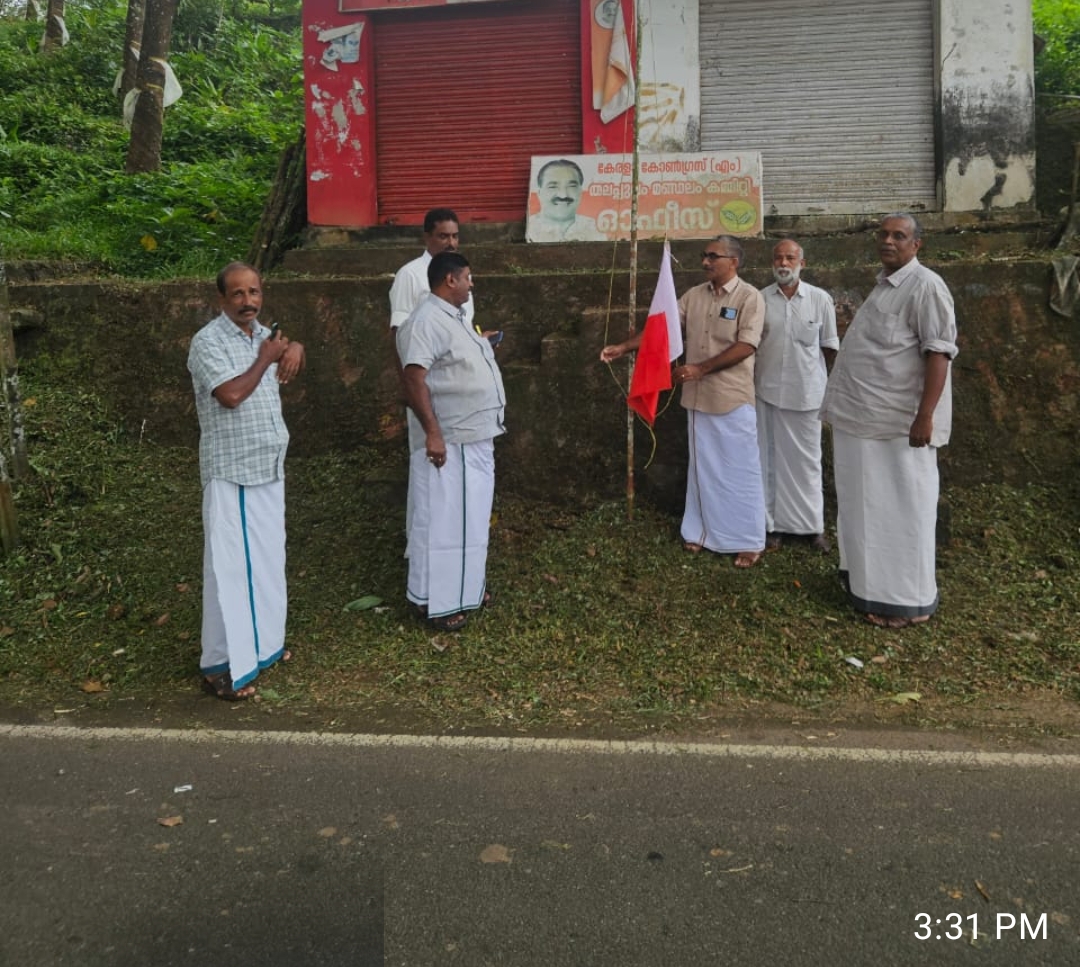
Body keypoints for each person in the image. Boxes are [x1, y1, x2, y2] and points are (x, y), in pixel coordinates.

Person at [819, 213, 958, 628]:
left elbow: (939, 353)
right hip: (863, 420)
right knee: (864, 505)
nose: (888, 241)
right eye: (883, 234)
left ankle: (905, 601)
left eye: (899, 235)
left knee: (900, 510)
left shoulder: (926, 286)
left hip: (899, 426)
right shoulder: (886, 284)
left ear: (917, 245)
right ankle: (866, 584)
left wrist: (925, 416)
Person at [601, 236, 767, 567]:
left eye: (713, 256)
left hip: (732, 397)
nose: (705, 262)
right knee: (703, 469)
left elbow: (746, 346)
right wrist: (623, 347)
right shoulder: (694, 295)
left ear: (733, 261)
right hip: (697, 399)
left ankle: (748, 540)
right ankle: (701, 532)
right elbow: (661, 329)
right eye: (704, 256)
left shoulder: (750, 297)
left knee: (740, 470)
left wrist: (700, 369)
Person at [187, 262, 306, 700]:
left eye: (254, 292)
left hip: (268, 466)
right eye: (237, 294)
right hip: (232, 470)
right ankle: (221, 666)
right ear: (221, 299)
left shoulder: (264, 336)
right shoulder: (207, 342)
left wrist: (294, 348)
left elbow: (285, 352)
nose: (247, 301)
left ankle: (264, 648)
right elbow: (231, 396)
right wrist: (266, 359)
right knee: (229, 569)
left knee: (268, 562)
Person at [396, 251, 506, 630]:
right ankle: (439, 602)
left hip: (474, 434)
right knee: (446, 522)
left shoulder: (453, 318)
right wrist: (433, 432)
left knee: (470, 520)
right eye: (468, 277)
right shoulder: (425, 320)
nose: (471, 284)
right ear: (450, 280)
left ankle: (466, 588)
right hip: (452, 438)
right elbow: (414, 378)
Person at [755, 239, 839, 552]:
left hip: (807, 396)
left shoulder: (820, 299)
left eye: (790, 258)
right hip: (767, 392)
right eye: (778, 258)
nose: (783, 263)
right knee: (770, 461)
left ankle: (812, 528)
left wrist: (815, 380)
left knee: (808, 462)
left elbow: (829, 348)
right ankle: (772, 527)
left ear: (801, 263)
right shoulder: (760, 299)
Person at [389, 207, 473, 332]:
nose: (451, 243)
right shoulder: (409, 274)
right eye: (443, 236)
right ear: (427, 237)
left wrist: (480, 340)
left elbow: (467, 322)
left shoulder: (463, 273)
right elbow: (399, 329)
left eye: (455, 236)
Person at [528, 159, 596, 242]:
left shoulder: (593, 227)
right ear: (539, 193)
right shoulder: (531, 228)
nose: (563, 195)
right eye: (553, 187)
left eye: (571, 186)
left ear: (580, 192)